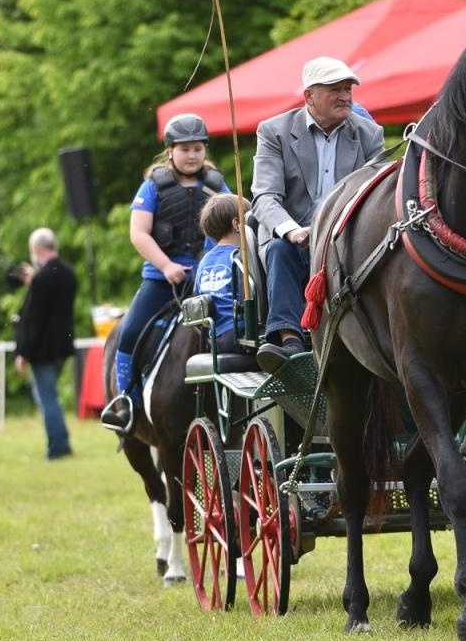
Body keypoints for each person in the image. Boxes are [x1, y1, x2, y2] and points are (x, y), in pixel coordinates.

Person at [252, 57, 385, 372]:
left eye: (348, 89)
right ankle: (290, 344)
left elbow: (376, 193)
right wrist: (292, 230)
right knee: (280, 249)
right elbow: (265, 197)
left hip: (346, 239)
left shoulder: (369, 134)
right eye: (335, 89)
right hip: (294, 239)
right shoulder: (274, 132)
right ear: (309, 97)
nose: (345, 96)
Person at [100, 113, 228, 433]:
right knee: (128, 333)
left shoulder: (216, 185)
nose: (192, 155)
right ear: (170, 150)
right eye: (185, 149)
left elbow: (233, 225)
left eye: (198, 148)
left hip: (210, 280)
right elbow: (139, 233)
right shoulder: (152, 186)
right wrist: (166, 266)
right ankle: (126, 404)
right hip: (161, 280)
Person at [14, 227, 77, 460]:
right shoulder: (68, 274)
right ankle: (61, 441)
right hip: (62, 347)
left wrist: (22, 352)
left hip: (43, 350)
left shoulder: (42, 280)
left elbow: (34, 320)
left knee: (46, 397)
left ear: (37, 249)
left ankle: (58, 445)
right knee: (50, 395)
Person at [194, 194, 249, 356]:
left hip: (214, 339)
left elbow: (199, 298)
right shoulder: (241, 257)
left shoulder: (204, 261)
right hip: (240, 335)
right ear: (237, 224)